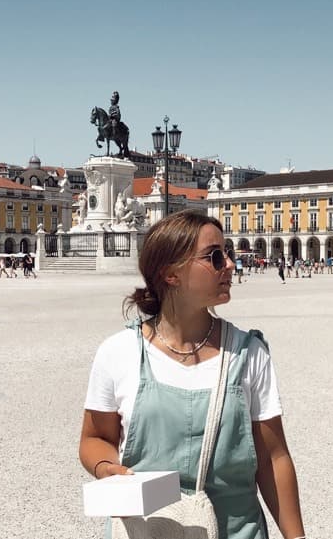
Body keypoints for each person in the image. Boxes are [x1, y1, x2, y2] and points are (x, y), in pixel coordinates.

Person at [79, 210, 305, 539]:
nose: (229, 264)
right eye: (215, 257)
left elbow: (274, 458)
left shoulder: (249, 353)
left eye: (227, 253)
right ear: (171, 274)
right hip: (150, 531)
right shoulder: (118, 352)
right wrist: (107, 468)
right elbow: (95, 438)